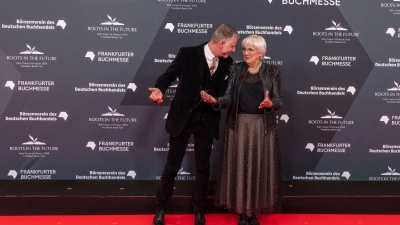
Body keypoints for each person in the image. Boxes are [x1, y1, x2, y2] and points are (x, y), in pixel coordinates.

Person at [148, 24, 239, 225]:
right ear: (222, 43)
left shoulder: (227, 62)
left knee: (202, 167)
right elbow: (167, 76)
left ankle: (199, 210)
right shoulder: (188, 54)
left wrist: (215, 101)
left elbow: (225, 94)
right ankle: (161, 209)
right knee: (172, 166)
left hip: (207, 120)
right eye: (232, 45)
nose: (234, 50)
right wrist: (160, 90)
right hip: (183, 119)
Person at [200, 35, 282, 225]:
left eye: (250, 50)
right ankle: (241, 213)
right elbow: (228, 97)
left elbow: (278, 100)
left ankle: (253, 212)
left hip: (262, 127)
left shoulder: (273, 71)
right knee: (240, 169)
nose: (245, 53)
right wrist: (216, 101)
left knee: (258, 168)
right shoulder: (236, 69)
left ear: (261, 52)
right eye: (244, 49)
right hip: (238, 126)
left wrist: (270, 103)